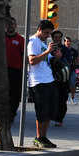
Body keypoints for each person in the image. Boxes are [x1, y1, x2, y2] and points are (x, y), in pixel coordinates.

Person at [27, 20, 60, 148]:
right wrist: (47, 52)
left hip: (49, 79)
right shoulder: (33, 42)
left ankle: (44, 136)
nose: (47, 36)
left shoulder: (42, 43)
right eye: (46, 33)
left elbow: (47, 60)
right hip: (38, 81)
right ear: (39, 29)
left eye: (49, 33)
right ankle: (39, 136)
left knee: (52, 110)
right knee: (42, 110)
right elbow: (32, 60)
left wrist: (56, 56)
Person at [50, 29, 72, 127]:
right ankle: (52, 116)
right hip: (51, 77)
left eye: (59, 37)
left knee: (62, 99)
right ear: (52, 38)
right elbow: (47, 62)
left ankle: (59, 119)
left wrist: (57, 60)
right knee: (52, 98)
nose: (57, 39)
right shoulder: (49, 48)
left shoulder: (65, 49)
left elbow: (67, 62)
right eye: (55, 37)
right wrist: (55, 59)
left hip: (63, 78)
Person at [5, 17, 25, 124]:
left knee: (14, 95)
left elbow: (23, 56)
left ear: (16, 25)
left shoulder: (20, 39)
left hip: (16, 71)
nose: (10, 26)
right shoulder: (1, 37)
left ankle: (12, 113)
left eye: (12, 24)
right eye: (8, 24)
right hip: (2, 71)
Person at [64, 36, 79, 104]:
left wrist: (75, 63)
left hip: (72, 69)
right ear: (64, 42)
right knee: (63, 84)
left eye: (69, 41)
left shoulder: (74, 51)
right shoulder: (62, 50)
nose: (68, 43)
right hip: (63, 70)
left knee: (72, 83)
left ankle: (73, 97)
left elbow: (77, 60)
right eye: (67, 41)